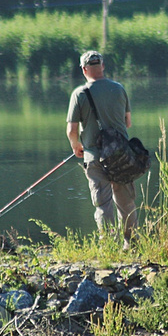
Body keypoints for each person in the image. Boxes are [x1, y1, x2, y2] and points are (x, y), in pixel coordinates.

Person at [65, 51, 137, 242]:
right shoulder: (119, 89)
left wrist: (76, 146)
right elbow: (127, 122)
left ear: (84, 69)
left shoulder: (79, 94)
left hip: (95, 156)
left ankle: (109, 246)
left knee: (103, 204)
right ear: (103, 66)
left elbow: (71, 130)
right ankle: (132, 244)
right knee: (126, 203)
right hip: (122, 155)